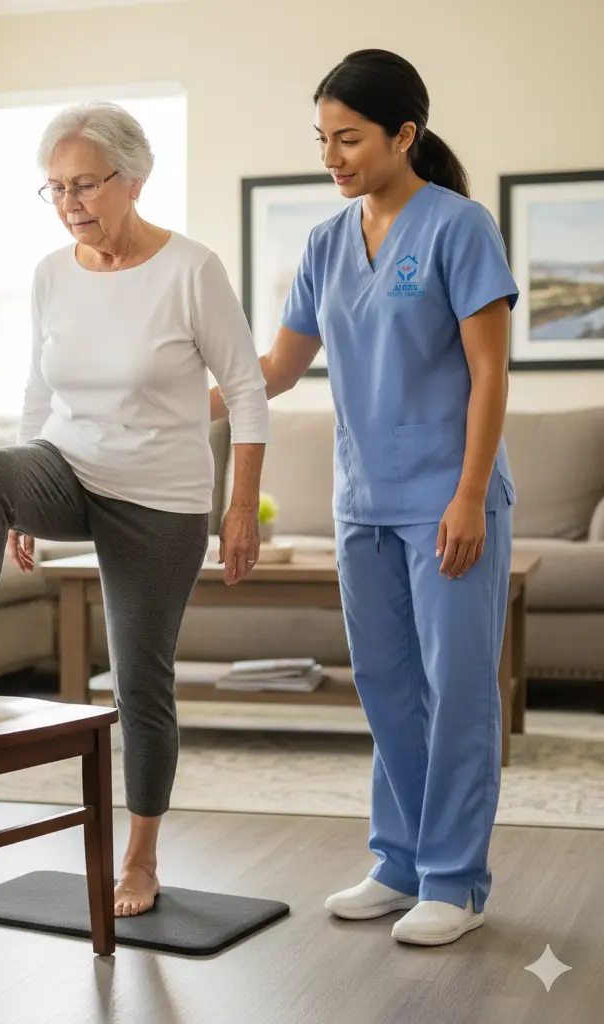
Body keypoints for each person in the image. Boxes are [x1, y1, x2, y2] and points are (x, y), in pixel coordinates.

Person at [0, 101, 270, 917]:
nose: (70, 203)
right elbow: (37, 389)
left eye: (85, 185)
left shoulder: (191, 270)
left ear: (134, 180)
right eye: (55, 188)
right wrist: (27, 493)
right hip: (66, 467)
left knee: (140, 681)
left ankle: (140, 858)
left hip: (160, 500)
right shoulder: (50, 274)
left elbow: (245, 388)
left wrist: (240, 506)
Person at [211, 49, 518, 946]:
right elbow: (278, 370)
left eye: (349, 138)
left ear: (404, 135)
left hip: (449, 503)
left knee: (456, 689)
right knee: (386, 689)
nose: (332, 157)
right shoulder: (323, 244)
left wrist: (467, 496)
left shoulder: (460, 227)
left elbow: (492, 372)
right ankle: (399, 862)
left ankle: (454, 882)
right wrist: (189, 374)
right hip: (364, 503)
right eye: (323, 140)